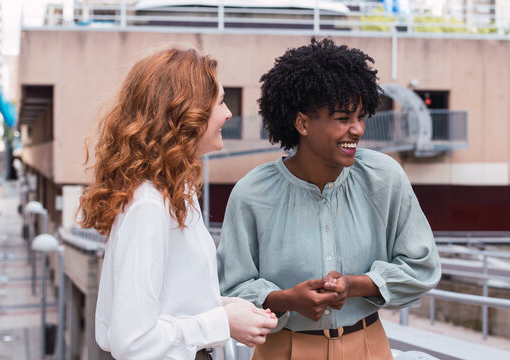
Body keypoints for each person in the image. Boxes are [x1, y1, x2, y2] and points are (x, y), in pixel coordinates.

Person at [217, 38, 441, 359]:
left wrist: (355, 285)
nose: (358, 129)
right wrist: (287, 299)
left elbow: (422, 267)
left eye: (361, 116)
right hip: (283, 349)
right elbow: (230, 289)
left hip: (368, 346)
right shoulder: (252, 192)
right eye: (342, 118)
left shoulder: (384, 177)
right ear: (302, 123)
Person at [78, 47, 278, 360]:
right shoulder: (149, 205)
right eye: (221, 102)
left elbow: (172, 305)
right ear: (184, 111)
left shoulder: (173, 194)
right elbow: (132, 340)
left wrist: (226, 308)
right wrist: (222, 321)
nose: (227, 114)